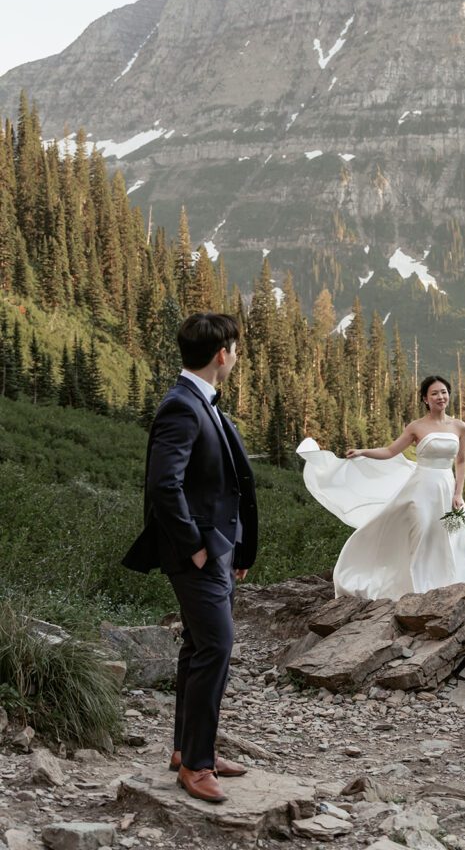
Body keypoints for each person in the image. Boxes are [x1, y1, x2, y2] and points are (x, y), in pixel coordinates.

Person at [122, 313, 258, 804]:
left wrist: (233, 547)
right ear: (222, 353)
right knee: (216, 647)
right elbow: (164, 485)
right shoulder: (182, 406)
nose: (236, 356)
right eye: (236, 349)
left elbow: (219, 485)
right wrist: (196, 547)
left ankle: (188, 748)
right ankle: (197, 767)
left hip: (217, 552)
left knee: (198, 649)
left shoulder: (201, 402)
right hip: (197, 556)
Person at [297, 375, 465, 600]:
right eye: (434, 393)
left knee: (446, 535)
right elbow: (391, 451)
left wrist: (458, 492)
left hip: (446, 486)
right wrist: (364, 452)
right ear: (425, 399)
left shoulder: (460, 427)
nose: (440, 397)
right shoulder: (417, 427)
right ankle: (415, 586)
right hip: (421, 488)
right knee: (420, 531)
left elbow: (461, 461)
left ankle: (444, 581)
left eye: (443, 392)